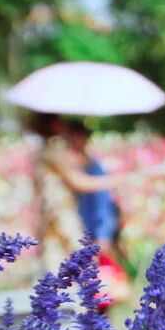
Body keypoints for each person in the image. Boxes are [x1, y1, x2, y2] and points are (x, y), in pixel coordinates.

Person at [31, 113, 132, 304]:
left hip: (60, 223)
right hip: (62, 222)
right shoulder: (51, 154)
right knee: (73, 274)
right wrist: (118, 179)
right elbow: (79, 182)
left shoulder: (49, 154)